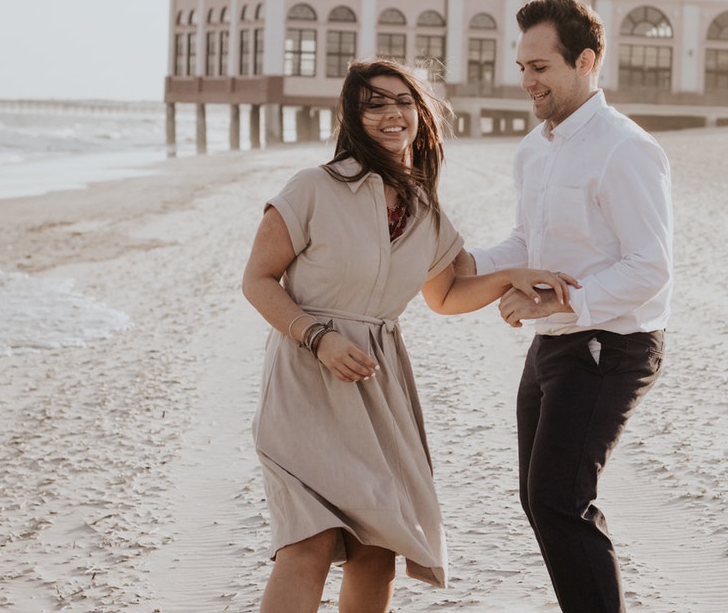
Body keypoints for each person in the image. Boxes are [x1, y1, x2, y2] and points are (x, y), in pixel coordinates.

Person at [241, 59, 575, 613]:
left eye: (402, 102)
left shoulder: (425, 210)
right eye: (375, 104)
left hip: (379, 389)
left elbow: (446, 295)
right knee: (309, 540)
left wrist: (510, 278)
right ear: (354, 116)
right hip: (304, 381)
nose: (392, 114)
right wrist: (317, 336)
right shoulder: (312, 189)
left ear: (421, 113)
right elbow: (257, 279)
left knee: (378, 547)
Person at [455, 0, 673, 613]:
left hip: (613, 345)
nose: (527, 81)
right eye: (522, 67)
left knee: (558, 499)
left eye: (541, 68)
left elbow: (650, 269)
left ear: (586, 61)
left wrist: (556, 307)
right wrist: (468, 265)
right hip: (553, 345)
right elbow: (527, 241)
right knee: (538, 498)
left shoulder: (625, 149)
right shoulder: (534, 149)